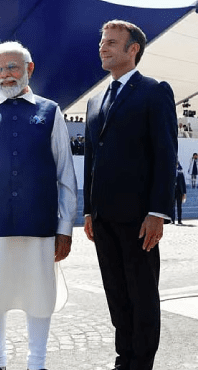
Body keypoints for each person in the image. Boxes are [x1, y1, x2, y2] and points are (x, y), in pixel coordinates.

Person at [0, 41, 77, 370]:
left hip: (38, 224)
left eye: (11, 67)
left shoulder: (50, 111)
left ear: (29, 69)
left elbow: (65, 172)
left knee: (40, 297)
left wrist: (65, 228)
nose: (4, 75)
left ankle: (36, 363)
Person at [83, 20, 177, 370]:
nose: (103, 48)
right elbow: (92, 160)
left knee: (142, 294)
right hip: (104, 217)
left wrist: (158, 211)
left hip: (139, 217)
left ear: (132, 49)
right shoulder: (95, 101)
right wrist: (89, 211)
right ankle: (125, 358)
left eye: (111, 42)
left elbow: (166, 154)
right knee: (117, 294)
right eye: (102, 42)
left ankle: (141, 363)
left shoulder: (154, 92)